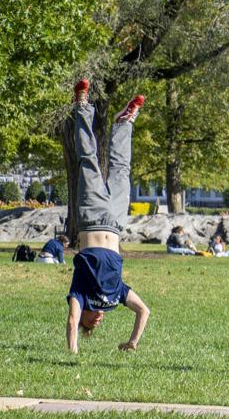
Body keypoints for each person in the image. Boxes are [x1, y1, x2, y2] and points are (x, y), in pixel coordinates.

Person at [65, 80, 151, 354]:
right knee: (122, 170)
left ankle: (82, 106)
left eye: (92, 322)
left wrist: (73, 351)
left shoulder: (80, 292)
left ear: (84, 321)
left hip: (90, 217)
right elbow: (144, 311)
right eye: (98, 322)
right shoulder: (114, 297)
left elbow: (71, 320)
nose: (98, 319)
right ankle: (124, 123)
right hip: (115, 222)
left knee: (88, 161)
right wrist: (133, 342)